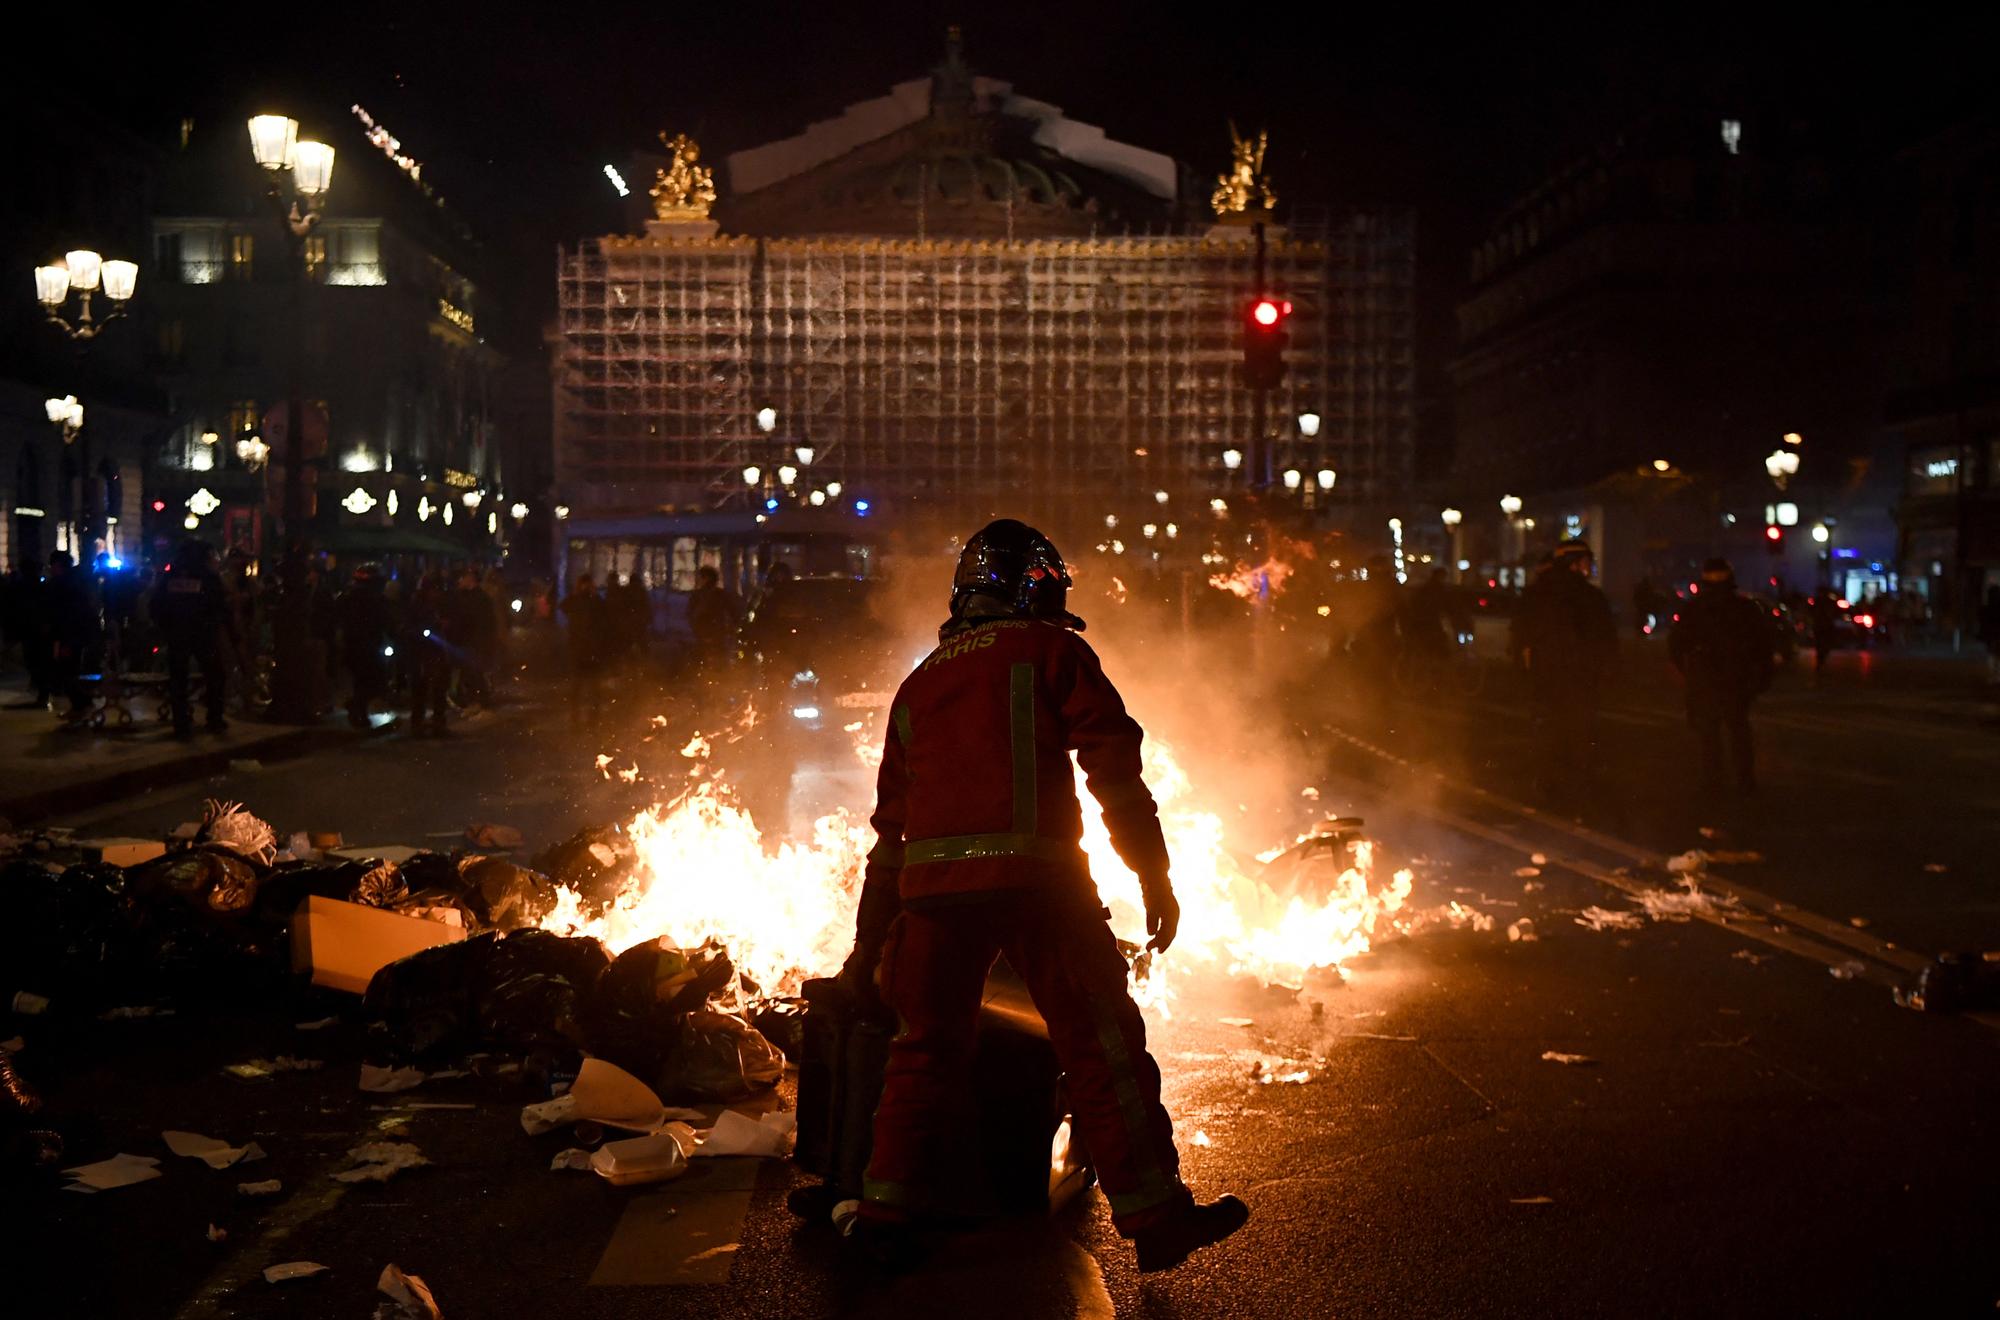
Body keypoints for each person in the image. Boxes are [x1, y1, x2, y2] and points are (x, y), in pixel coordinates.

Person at [842, 518, 1247, 1273]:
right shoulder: (1055, 651)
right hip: (1040, 887)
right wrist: (1152, 875)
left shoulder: (919, 683)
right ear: (1037, 586)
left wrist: (869, 944)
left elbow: (889, 831)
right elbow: (1114, 772)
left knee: (922, 1049)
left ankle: (881, 1212)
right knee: (1100, 1044)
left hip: (929, 895)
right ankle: (1155, 1216)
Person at [1508, 541, 1617, 808]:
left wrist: (1526, 675)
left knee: (1548, 733)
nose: (1590, 567)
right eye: (1587, 562)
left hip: (1544, 681)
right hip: (1580, 681)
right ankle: (1579, 792)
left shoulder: (1535, 595)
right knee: (1580, 736)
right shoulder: (1590, 597)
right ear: (1576, 564)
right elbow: (1606, 642)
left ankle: (1549, 788)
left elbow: (1519, 640)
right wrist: (1604, 676)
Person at [1669, 558, 1776, 795]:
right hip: (1736, 680)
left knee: (1709, 735)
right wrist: (1760, 678)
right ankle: (1745, 781)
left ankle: (1712, 782)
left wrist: (1689, 673)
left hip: (1705, 680)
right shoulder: (1745, 608)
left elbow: (1676, 646)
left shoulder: (1694, 610)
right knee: (1739, 732)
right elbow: (1763, 645)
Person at [152, 539, 231, 739]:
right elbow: (220, 605)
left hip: (177, 635)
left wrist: (167, 628)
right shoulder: (208, 577)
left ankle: (181, 724)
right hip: (203, 634)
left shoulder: (170, 577)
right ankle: (214, 718)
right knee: (215, 676)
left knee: (178, 680)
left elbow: (156, 605)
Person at [40, 551, 101, 724]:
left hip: (70, 636)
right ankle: (79, 706)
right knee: (70, 671)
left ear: (58, 565)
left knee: (68, 672)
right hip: (76, 635)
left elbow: (66, 614)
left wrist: (64, 639)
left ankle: (81, 706)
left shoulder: (65, 584)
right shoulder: (76, 582)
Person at [336, 564, 393, 730]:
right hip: (367, 646)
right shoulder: (373, 599)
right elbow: (385, 621)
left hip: (356, 645)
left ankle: (358, 710)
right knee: (375, 681)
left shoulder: (348, 597)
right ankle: (356, 707)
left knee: (363, 681)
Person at [404, 572, 453, 736]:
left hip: (437, 651)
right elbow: (409, 627)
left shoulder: (442, 603)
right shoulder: (416, 603)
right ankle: (417, 722)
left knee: (439, 688)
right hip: (421, 652)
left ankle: (438, 721)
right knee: (420, 688)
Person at [445, 567, 498, 708]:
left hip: (473, 642)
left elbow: (477, 622)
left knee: (473, 673)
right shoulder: (467, 597)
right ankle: (476, 700)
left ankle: (478, 701)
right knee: (470, 673)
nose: (460, 581)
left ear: (470, 579)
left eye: (463, 578)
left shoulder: (478, 599)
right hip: (469, 642)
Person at [561, 574, 608, 723]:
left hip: (591, 650)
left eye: (588, 584)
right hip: (579, 650)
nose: (586, 587)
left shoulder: (595, 601)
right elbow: (563, 606)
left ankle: (593, 716)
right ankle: (576, 715)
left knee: (592, 686)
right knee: (578, 686)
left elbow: (604, 617)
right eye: (583, 584)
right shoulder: (576, 600)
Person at [686, 565, 739, 669]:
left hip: (708, 634)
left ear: (706, 578)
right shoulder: (719, 594)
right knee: (717, 663)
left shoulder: (701, 595)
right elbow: (734, 613)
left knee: (704, 663)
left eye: (701, 577)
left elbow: (690, 614)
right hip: (715, 634)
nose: (699, 580)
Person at [1807, 589, 1841, 677]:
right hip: (1821, 626)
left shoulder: (1826, 602)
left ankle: (1821, 658)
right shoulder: (1819, 602)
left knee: (1823, 644)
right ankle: (1820, 659)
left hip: (1823, 626)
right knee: (1821, 644)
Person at [1979, 585, 2000, 685]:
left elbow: (1983, 623)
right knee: (1997, 655)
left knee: (1992, 655)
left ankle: (1993, 675)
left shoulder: (1986, 608)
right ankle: (1997, 675)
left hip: (1991, 635)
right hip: (1996, 634)